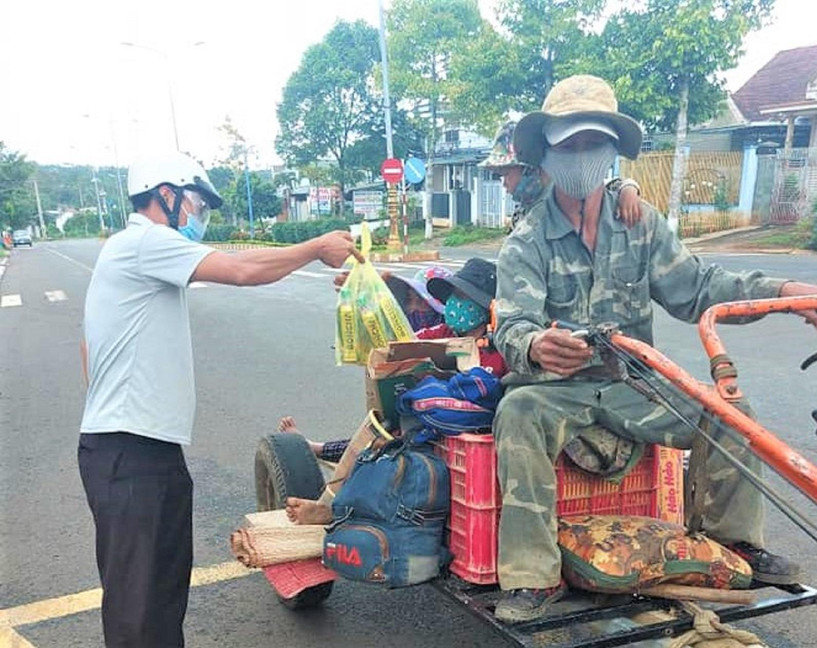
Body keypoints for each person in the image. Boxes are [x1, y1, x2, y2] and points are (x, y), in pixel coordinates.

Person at [490, 75, 817, 624]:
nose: (582, 156)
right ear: (548, 154)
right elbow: (509, 326)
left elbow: (698, 287)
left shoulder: (640, 223)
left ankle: (732, 545)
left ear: (611, 152)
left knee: (730, 413)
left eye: (593, 144)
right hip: (559, 391)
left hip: (635, 386)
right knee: (516, 410)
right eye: (570, 145)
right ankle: (532, 577)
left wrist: (786, 294)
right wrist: (535, 346)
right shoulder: (526, 241)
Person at [77, 151, 361, 648]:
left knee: (161, 596)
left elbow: (87, 347)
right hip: (128, 450)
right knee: (139, 607)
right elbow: (241, 269)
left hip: (142, 447)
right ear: (166, 195)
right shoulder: (144, 241)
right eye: (196, 203)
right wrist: (315, 247)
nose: (199, 215)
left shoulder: (134, 253)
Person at [284, 258, 506, 524]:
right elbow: (399, 344)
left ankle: (331, 488)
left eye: (464, 297)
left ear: (487, 307)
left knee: (389, 447)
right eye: (454, 296)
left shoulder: (503, 347)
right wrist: (362, 298)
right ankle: (329, 504)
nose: (456, 303)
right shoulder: (444, 332)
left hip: (472, 436)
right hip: (428, 426)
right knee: (380, 428)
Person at [478, 119, 643, 231]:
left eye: (506, 174)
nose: (504, 183)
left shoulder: (567, 192)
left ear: (529, 167)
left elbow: (603, 188)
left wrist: (627, 187)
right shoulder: (522, 212)